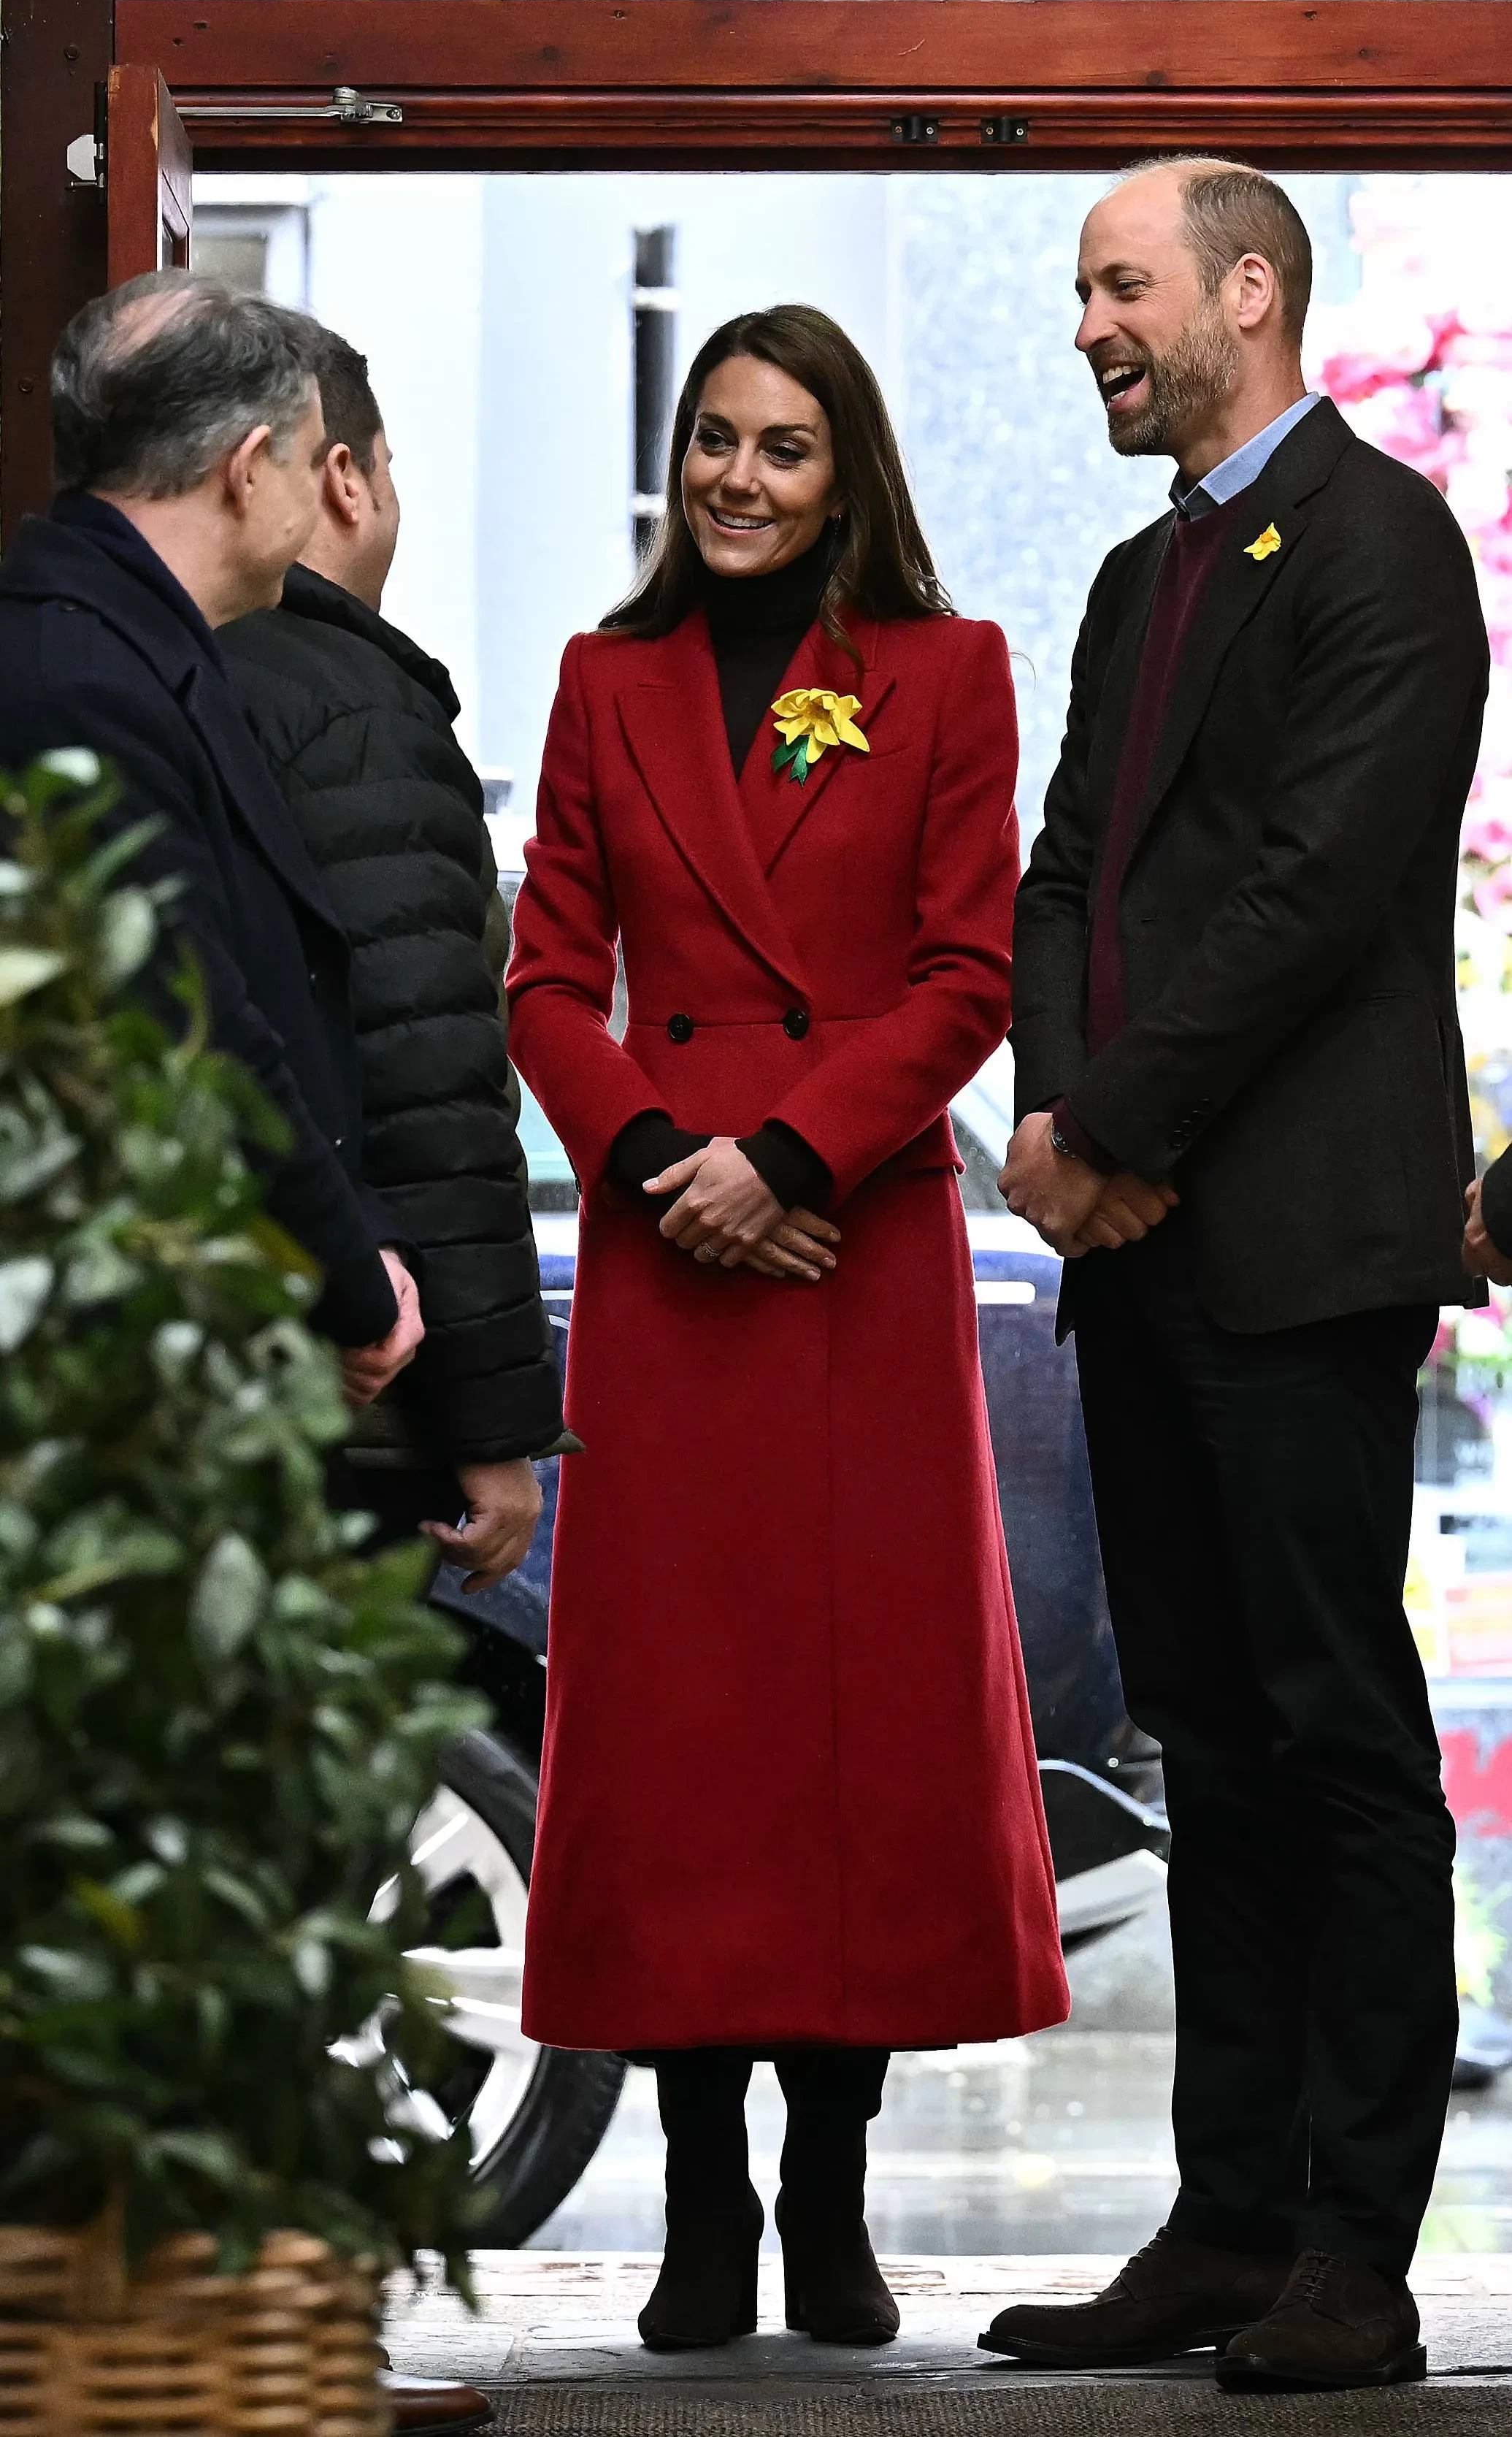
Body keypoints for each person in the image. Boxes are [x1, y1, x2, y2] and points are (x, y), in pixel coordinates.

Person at [507, 302, 1067, 2355]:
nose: (738, 478)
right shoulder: (607, 675)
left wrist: (794, 1155)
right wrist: (670, 1156)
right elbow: (542, 977)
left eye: (783, 447)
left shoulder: (946, 668)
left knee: (856, 1732)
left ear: (847, 480)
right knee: (680, 1738)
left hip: (852, 1250)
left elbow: (967, 973)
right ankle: (699, 2199)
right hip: (670, 1257)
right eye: (714, 439)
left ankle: (827, 2190)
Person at [989, 161, 1488, 2392]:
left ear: (1247, 291)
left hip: (1292, 1244)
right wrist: (1051, 1124)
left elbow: (1310, 894)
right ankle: (1225, 2219)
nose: (1084, 325)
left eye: (1117, 285)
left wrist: (1110, 1130)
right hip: (1136, 1247)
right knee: (1202, 1735)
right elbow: (1063, 873)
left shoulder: (1379, 544)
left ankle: (1351, 2253)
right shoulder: (1135, 576)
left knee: (1331, 1735)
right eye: (1077, 289)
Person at [0, 272, 422, 1406]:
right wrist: (353, 1282)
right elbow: (192, 1030)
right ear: (247, 470)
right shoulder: (84, 683)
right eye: (309, 457)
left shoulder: (129, 646)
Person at [220, 324, 566, 1626]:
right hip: (357, 1392)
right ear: (345, 479)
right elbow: (430, 1086)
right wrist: (492, 1425)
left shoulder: (149, 674)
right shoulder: (359, 711)